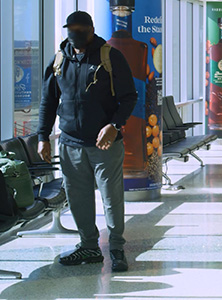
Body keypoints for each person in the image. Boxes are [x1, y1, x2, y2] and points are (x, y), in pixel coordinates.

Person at [37, 11, 138, 272]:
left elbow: (129, 97)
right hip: (70, 143)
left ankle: (116, 247)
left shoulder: (110, 57)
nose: (75, 33)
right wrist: (42, 137)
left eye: (81, 29)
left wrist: (114, 126)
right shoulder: (59, 60)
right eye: (71, 28)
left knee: (111, 197)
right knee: (78, 197)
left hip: (105, 144)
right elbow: (48, 102)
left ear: (91, 30)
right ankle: (89, 246)